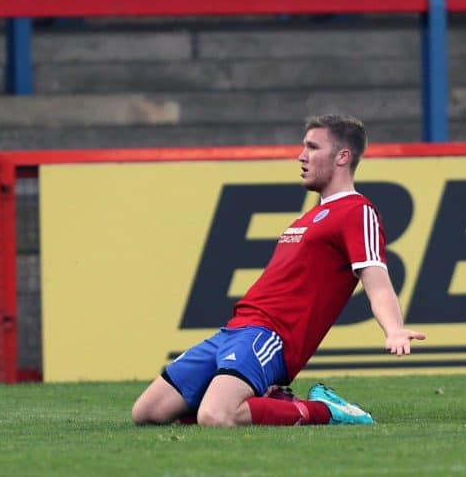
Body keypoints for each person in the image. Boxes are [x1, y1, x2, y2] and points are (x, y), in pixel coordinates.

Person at [131, 114, 427, 427]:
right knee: (147, 413)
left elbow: (376, 281)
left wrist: (393, 329)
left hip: (269, 336)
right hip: (234, 330)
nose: (301, 156)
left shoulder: (357, 211)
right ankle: (268, 403)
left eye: (312, 148)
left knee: (215, 417)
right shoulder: (309, 217)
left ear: (343, 157)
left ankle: (326, 411)